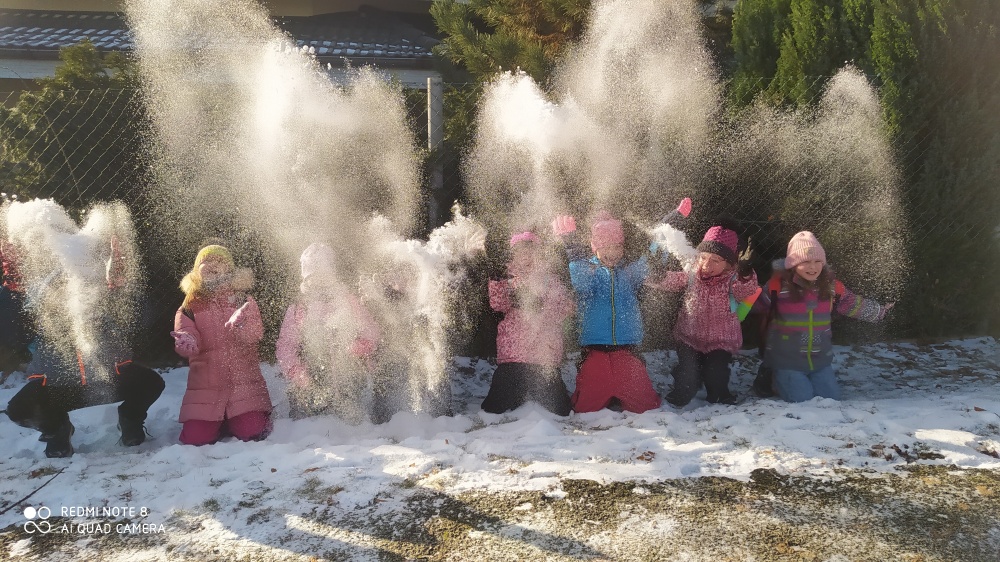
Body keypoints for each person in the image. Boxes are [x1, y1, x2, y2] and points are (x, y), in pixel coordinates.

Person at [4, 235, 164, 458]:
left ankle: (130, 419)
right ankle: (57, 430)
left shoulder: (106, 311)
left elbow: (143, 318)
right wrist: (11, 292)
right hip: (59, 389)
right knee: (18, 408)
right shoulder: (42, 324)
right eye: (61, 290)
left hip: (109, 383)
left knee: (151, 382)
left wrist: (123, 286)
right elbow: (11, 332)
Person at [551, 201, 690, 414]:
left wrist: (670, 224)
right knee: (585, 410)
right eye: (605, 247)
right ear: (595, 248)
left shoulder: (629, 272)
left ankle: (620, 392)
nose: (612, 252)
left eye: (617, 247)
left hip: (626, 350)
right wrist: (573, 248)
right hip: (596, 351)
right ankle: (605, 393)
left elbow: (652, 255)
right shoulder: (590, 272)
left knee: (646, 407)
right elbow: (581, 283)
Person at [761, 231, 893, 402]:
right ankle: (773, 378)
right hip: (787, 361)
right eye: (805, 262)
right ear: (793, 264)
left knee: (830, 399)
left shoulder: (831, 286)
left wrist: (879, 312)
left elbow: (850, 302)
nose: (812, 267)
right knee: (802, 399)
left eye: (817, 261)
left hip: (819, 361)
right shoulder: (778, 286)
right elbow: (755, 304)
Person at [171, 245, 272, 445]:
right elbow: (185, 333)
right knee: (196, 439)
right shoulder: (189, 306)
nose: (212, 266)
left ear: (230, 270)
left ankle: (236, 419)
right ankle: (218, 422)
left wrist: (242, 325)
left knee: (252, 432)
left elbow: (255, 335)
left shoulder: (243, 301)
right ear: (196, 272)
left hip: (243, 387)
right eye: (206, 262)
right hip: (206, 389)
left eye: (219, 262)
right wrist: (187, 341)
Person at [649, 222, 758, 406]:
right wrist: (658, 276)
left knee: (715, 374)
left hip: (720, 341)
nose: (707, 264)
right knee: (688, 376)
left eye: (715, 260)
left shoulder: (732, 280)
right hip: (689, 338)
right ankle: (683, 388)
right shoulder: (693, 274)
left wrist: (745, 274)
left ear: (728, 264)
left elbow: (746, 290)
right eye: (703, 257)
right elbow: (675, 280)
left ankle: (720, 393)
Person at [275, 243, 381, 423]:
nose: (320, 281)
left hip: (349, 380)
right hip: (311, 382)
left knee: (352, 420)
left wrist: (360, 346)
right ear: (306, 280)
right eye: (314, 277)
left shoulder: (348, 301)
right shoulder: (300, 308)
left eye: (325, 275)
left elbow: (370, 330)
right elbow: (286, 345)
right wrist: (296, 371)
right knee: (313, 420)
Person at [482, 231, 575, 416]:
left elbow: (564, 308)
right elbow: (498, 304)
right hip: (514, 355)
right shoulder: (508, 278)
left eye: (531, 250)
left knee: (560, 409)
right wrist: (496, 280)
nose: (526, 255)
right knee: (495, 408)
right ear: (513, 255)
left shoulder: (550, 278)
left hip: (544, 356)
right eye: (520, 251)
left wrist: (543, 304)